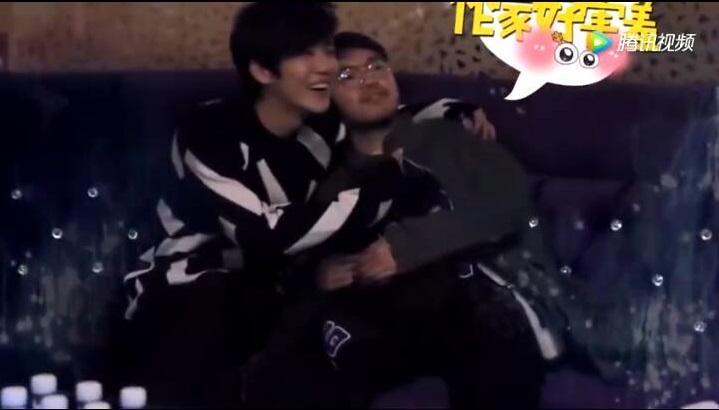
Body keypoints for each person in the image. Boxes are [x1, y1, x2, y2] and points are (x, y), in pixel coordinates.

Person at [115, 4, 492, 407]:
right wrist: (382, 187)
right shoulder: (210, 132)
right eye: (304, 54)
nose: (326, 66)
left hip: (277, 288)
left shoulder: (322, 127)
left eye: (327, 51)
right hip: (185, 285)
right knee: (218, 312)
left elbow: (389, 117)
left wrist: (456, 110)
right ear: (263, 71)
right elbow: (264, 235)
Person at [242, 32, 571, 409]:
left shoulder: (451, 139)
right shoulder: (330, 181)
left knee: (484, 326)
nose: (369, 80)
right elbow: (294, 261)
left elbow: (507, 205)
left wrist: (403, 249)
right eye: (347, 76)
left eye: (376, 67)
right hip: (389, 319)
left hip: (479, 298)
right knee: (292, 361)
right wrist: (322, 274)